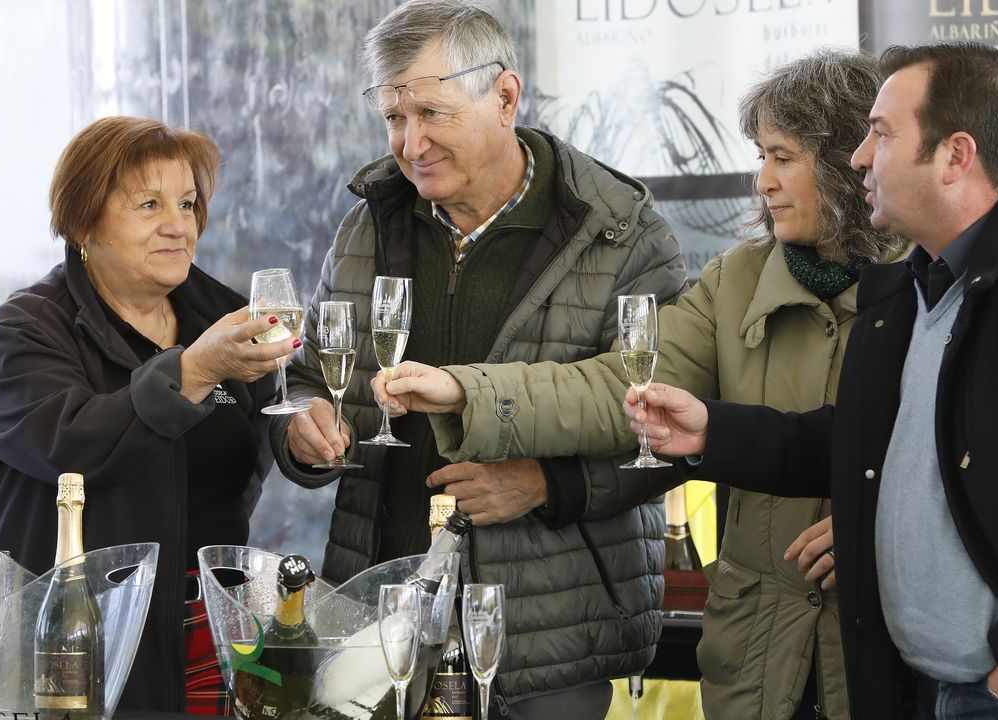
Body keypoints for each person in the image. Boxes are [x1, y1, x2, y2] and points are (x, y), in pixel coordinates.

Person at [618, 43, 998, 719]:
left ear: (955, 156)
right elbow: (858, 444)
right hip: (923, 690)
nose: (859, 158)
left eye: (881, 135)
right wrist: (711, 429)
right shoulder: (912, 292)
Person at [378, 49, 906, 720]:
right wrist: (466, 392)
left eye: (782, 157)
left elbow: (977, 456)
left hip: (888, 647)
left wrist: (880, 521)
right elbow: (618, 389)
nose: (763, 181)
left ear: (845, 159)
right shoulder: (732, 282)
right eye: (761, 156)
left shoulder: (932, 283)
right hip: (760, 662)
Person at [267, 1, 685, 717]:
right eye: (393, 117)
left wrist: (548, 485)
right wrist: (304, 427)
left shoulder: (622, 234)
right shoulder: (368, 223)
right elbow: (309, 380)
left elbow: (670, 428)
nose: (410, 142)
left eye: (432, 112)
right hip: (382, 626)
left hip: (547, 642)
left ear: (505, 97)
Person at [0, 116, 294, 713]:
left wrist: (308, 434)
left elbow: (253, 451)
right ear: (84, 220)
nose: (179, 226)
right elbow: (71, 446)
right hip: (75, 651)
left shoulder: (222, 317)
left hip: (213, 639)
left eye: (189, 204)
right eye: (149, 204)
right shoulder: (25, 331)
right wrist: (192, 373)